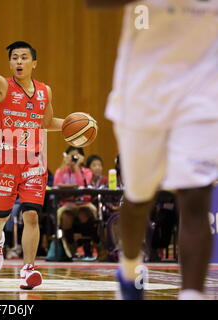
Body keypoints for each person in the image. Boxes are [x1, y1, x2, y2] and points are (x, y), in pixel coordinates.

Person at [86, 0, 218, 300]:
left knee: (195, 196)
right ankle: (130, 269)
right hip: (143, 92)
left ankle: (192, 295)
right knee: (138, 199)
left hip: (203, 91)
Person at [0, 14, 67, 290]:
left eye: (24, 57)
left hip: (34, 163)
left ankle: (28, 269)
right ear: (10, 63)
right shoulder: (1, 86)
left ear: (34, 62)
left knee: (31, 214)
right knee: (0, 216)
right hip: (5, 161)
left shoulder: (45, 91)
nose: (19, 62)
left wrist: (73, 127)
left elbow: (47, 123)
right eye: (14, 58)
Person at [54, 147, 98, 260]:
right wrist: (64, 165)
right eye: (71, 155)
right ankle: (70, 250)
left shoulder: (86, 171)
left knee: (85, 213)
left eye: (76, 156)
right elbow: (56, 185)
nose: (73, 158)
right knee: (66, 217)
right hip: (67, 204)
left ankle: (87, 249)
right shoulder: (61, 171)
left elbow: (83, 185)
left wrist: (77, 167)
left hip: (84, 203)